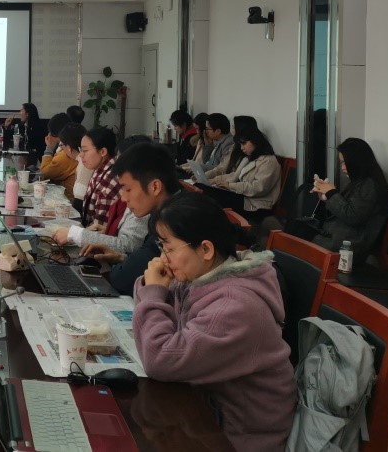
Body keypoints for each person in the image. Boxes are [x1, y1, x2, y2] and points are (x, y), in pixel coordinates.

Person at [133, 193, 295, 450]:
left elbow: (160, 359)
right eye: (162, 247)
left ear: (206, 249)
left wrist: (154, 291)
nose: (164, 258)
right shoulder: (202, 275)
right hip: (201, 412)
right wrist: (151, 286)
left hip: (237, 438)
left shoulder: (234, 307)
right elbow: (155, 313)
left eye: (169, 248)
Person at [79, 143, 182, 294]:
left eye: (128, 189)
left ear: (155, 187)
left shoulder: (174, 221)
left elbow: (122, 279)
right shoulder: (171, 208)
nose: (123, 198)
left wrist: (124, 265)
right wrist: (121, 258)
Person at [310, 137, 388, 261]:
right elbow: (347, 209)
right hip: (339, 239)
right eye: (341, 163)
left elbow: (352, 216)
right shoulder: (359, 181)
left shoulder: (370, 184)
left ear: (356, 162)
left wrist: (331, 193)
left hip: (349, 247)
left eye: (344, 162)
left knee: (300, 243)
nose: (342, 168)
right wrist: (326, 198)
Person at [53, 127, 119, 243]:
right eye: (80, 150)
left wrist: (72, 235)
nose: (81, 155)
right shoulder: (100, 169)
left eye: (85, 150)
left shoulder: (109, 181)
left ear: (102, 152)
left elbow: (100, 234)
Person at [204, 128, 281, 222]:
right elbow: (235, 175)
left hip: (256, 206)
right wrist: (215, 180)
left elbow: (258, 188)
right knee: (205, 188)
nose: (241, 148)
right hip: (244, 198)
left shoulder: (269, 161)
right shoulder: (249, 158)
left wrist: (230, 186)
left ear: (255, 141)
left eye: (244, 143)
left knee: (211, 195)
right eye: (240, 144)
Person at [205, 115, 257, 180]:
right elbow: (222, 167)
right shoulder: (234, 145)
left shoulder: (231, 143)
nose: (231, 130)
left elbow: (235, 176)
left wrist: (215, 180)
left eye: (233, 127)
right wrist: (205, 176)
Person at [39, 116, 80, 198]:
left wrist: (49, 148)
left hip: (67, 199)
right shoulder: (71, 147)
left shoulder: (66, 154)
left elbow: (45, 173)